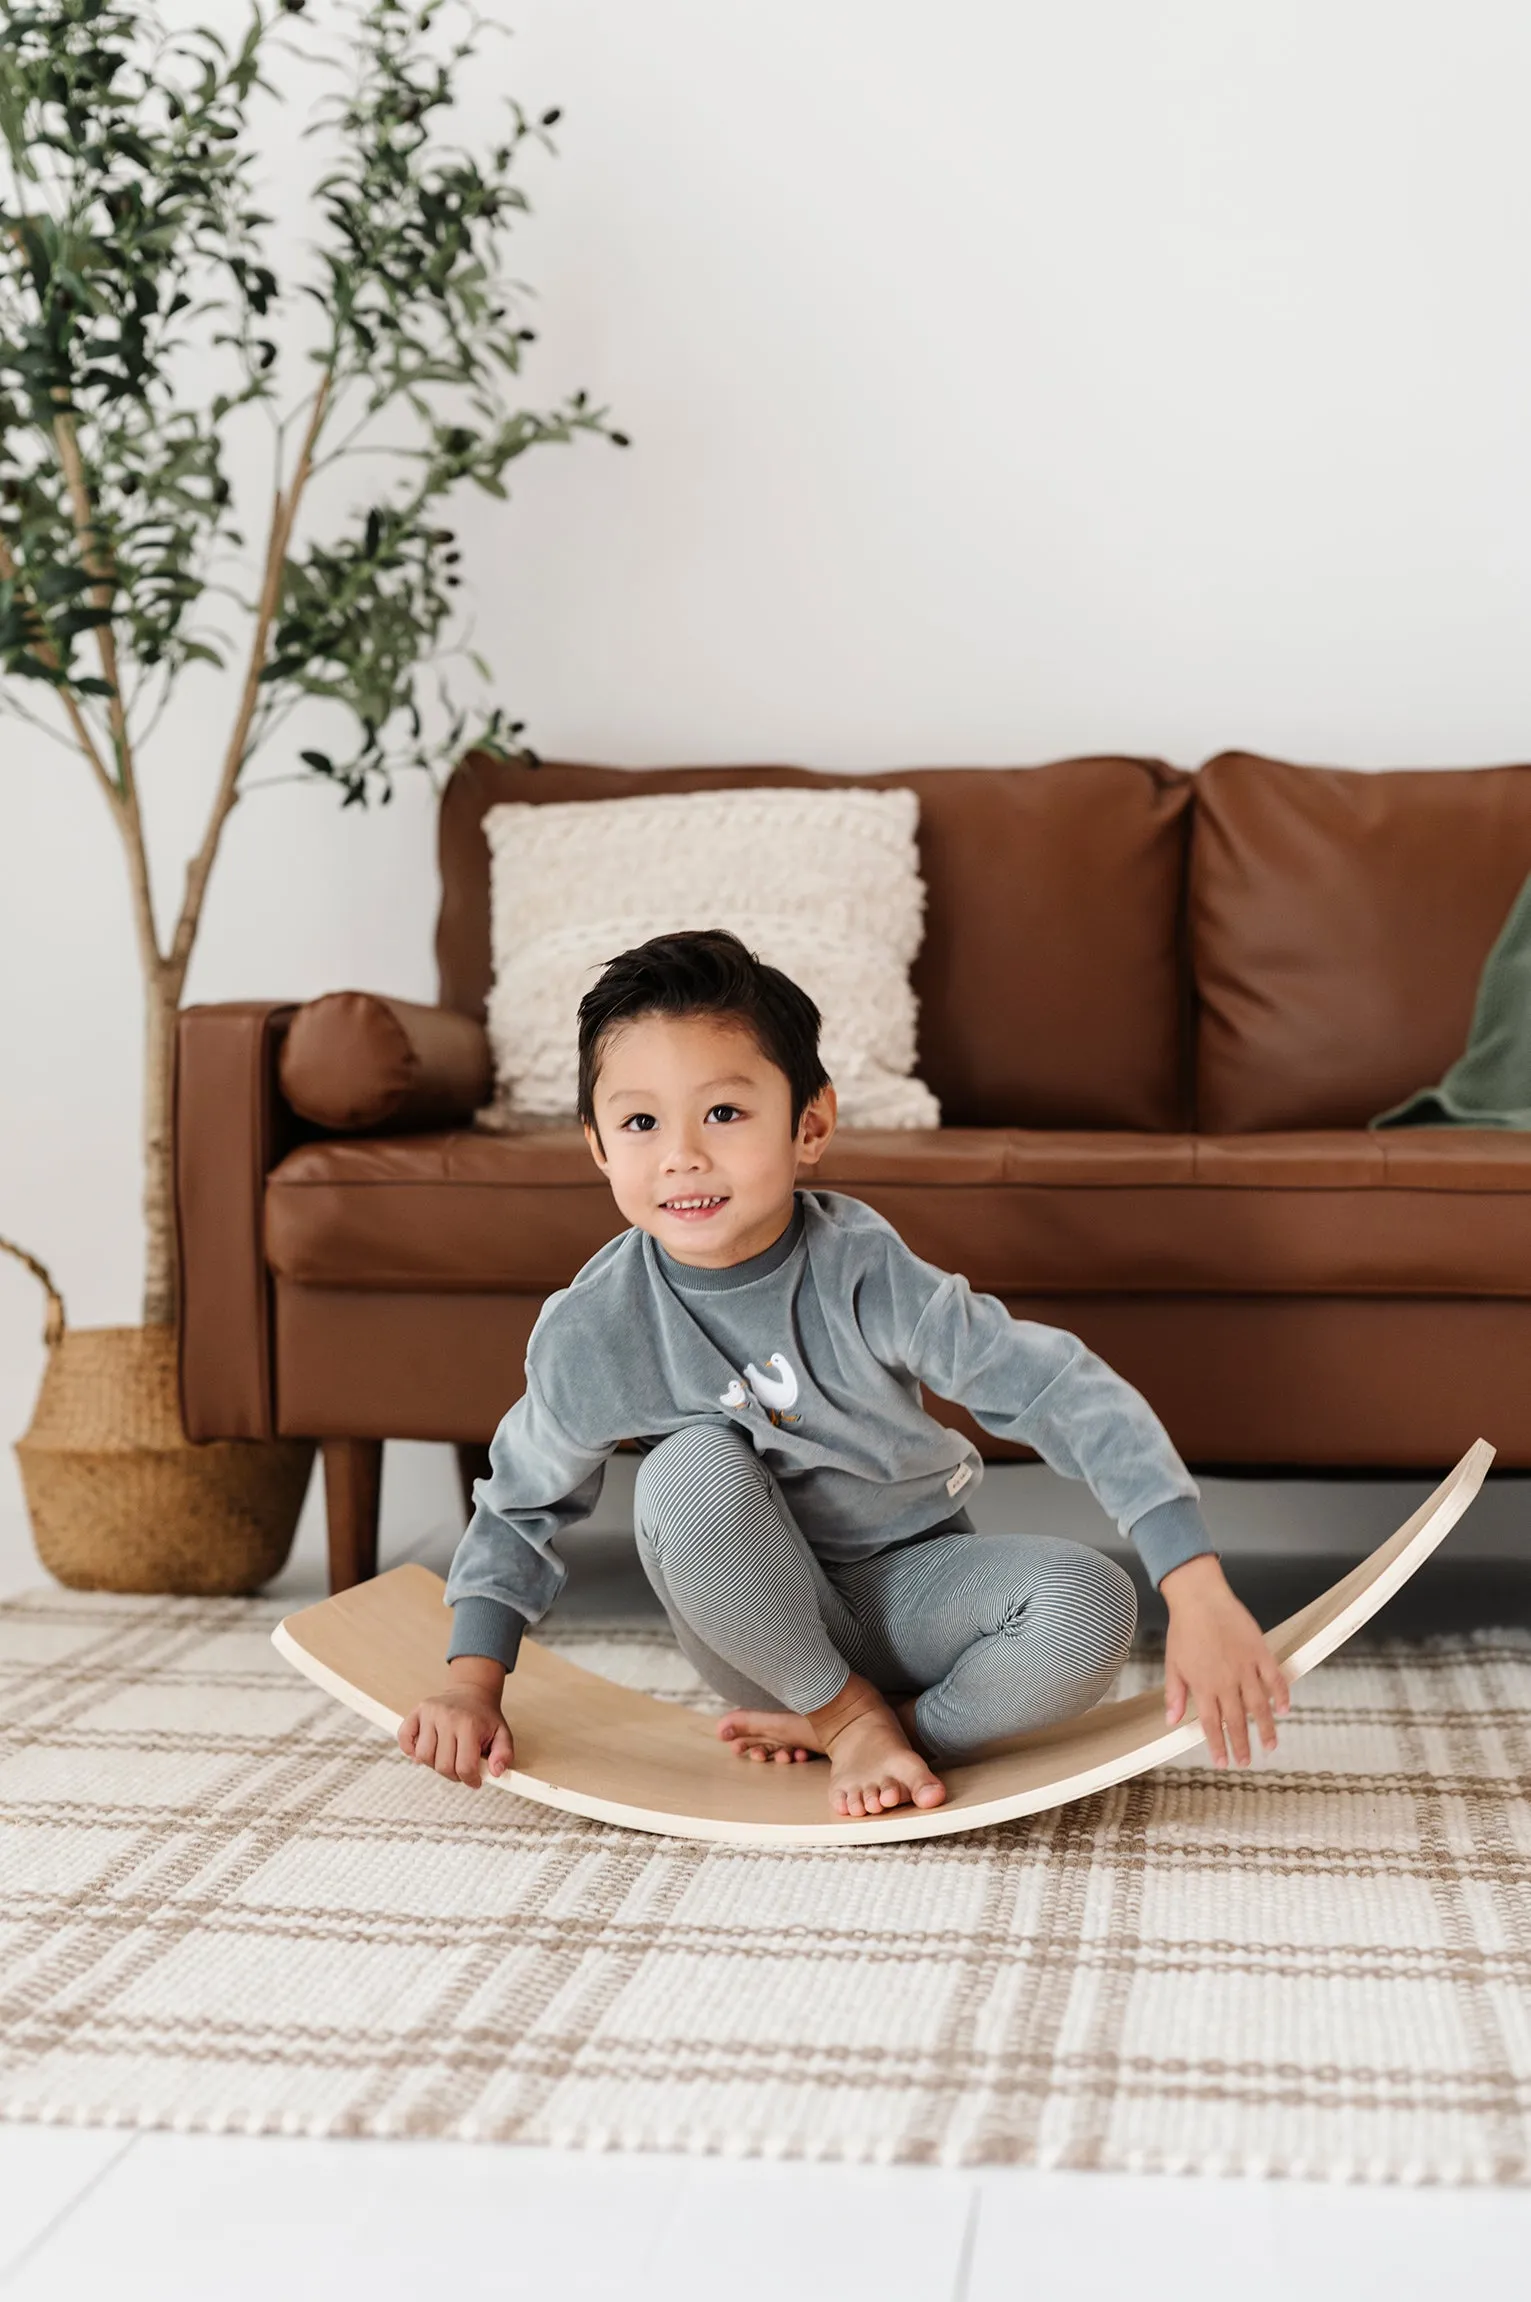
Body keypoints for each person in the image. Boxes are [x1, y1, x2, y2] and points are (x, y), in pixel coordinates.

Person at [399, 927, 1290, 1819]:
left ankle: (894, 1724)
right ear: (597, 1147)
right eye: (640, 1123)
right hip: (752, 1627)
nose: (681, 1156)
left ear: (810, 1124)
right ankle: (838, 1712)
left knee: (1089, 1604)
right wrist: (472, 1684)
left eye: (722, 1113)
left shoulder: (863, 1269)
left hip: (915, 1583)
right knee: (689, 1467)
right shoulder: (594, 1329)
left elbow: (1054, 1387)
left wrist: (1196, 1586)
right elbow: (522, 1503)